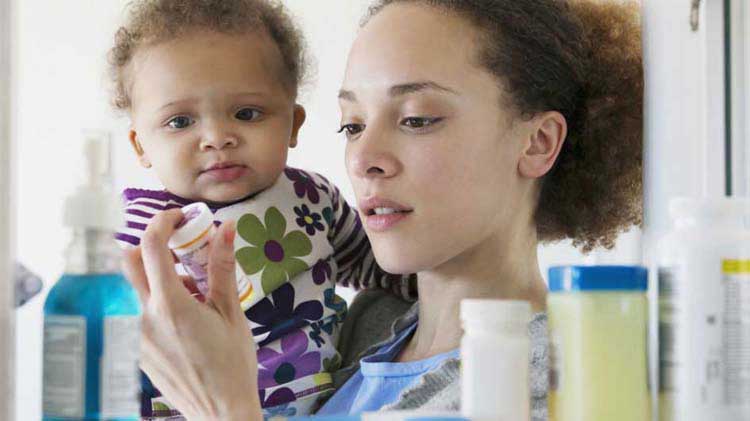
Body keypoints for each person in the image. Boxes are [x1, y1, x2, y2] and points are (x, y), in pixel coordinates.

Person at [122, 0, 643, 419]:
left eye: (416, 119)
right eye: (352, 125)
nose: (363, 159)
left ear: (537, 142)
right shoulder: (366, 327)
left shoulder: (547, 391)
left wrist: (224, 409)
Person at [108, 0, 413, 417]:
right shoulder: (139, 231)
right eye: (180, 122)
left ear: (292, 124)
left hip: (322, 403)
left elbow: (376, 266)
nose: (216, 137)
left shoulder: (314, 199)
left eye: (246, 113)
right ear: (141, 145)